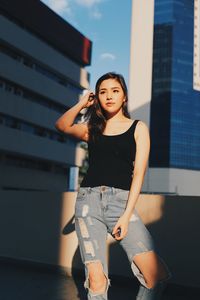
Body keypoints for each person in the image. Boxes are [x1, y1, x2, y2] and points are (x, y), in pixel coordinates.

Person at [55, 72, 171, 300]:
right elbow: (61, 125)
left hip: (121, 203)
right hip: (87, 204)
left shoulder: (138, 128)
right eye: (102, 92)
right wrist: (82, 103)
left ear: (124, 96)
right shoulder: (92, 129)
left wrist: (126, 216)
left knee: (156, 276)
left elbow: (139, 173)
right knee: (96, 281)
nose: (109, 96)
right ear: (96, 97)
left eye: (115, 90)